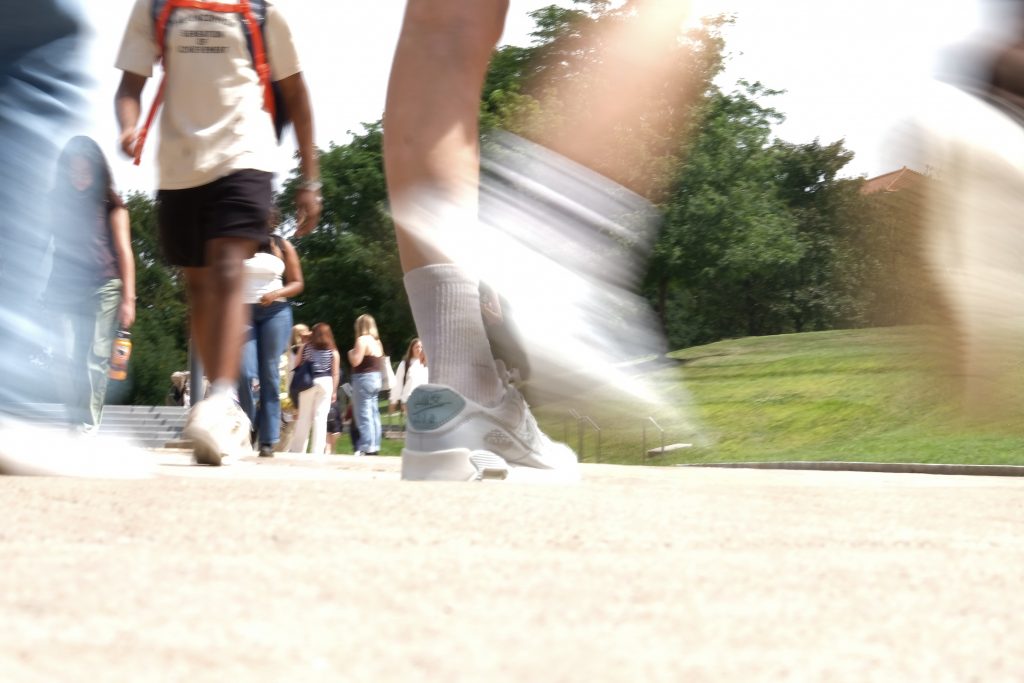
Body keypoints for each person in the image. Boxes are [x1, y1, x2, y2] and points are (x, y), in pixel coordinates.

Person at [114, 0, 321, 465]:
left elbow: (298, 95)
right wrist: (128, 127)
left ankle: (223, 400)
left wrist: (311, 178)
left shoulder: (262, 12)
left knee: (229, 266)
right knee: (199, 283)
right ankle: (221, 403)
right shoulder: (156, 9)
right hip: (179, 165)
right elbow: (129, 84)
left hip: (245, 153)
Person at [46, 136, 136, 435]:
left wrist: (129, 299)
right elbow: (42, 245)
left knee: (95, 356)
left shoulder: (112, 206)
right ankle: (74, 420)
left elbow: (124, 252)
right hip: (64, 288)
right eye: (73, 171)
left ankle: (86, 426)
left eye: (86, 172)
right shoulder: (54, 203)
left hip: (104, 286)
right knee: (66, 355)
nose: (79, 178)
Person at [237, 214, 304, 458]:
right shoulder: (240, 242)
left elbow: (297, 283)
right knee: (244, 372)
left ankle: (268, 439)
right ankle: (249, 425)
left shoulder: (282, 245)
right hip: (243, 311)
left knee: (270, 374)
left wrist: (276, 294)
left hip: (275, 312)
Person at [288, 322, 339, 455]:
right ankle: (317, 450)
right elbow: (335, 373)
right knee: (320, 417)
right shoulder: (333, 351)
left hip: (308, 382)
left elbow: (296, 363)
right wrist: (334, 391)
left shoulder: (306, 347)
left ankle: (298, 449)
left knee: (304, 416)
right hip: (326, 382)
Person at [347, 313, 384, 456]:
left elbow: (356, 361)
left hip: (363, 378)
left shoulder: (362, 340)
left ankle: (367, 446)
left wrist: (350, 353)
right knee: (374, 413)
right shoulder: (377, 342)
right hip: (376, 378)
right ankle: (375, 445)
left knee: (363, 414)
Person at [389, 337, 428, 416]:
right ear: (411, 349)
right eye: (417, 347)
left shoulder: (426, 365)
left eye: (421, 347)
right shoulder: (405, 364)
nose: (419, 349)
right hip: (409, 400)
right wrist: (393, 400)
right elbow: (398, 383)